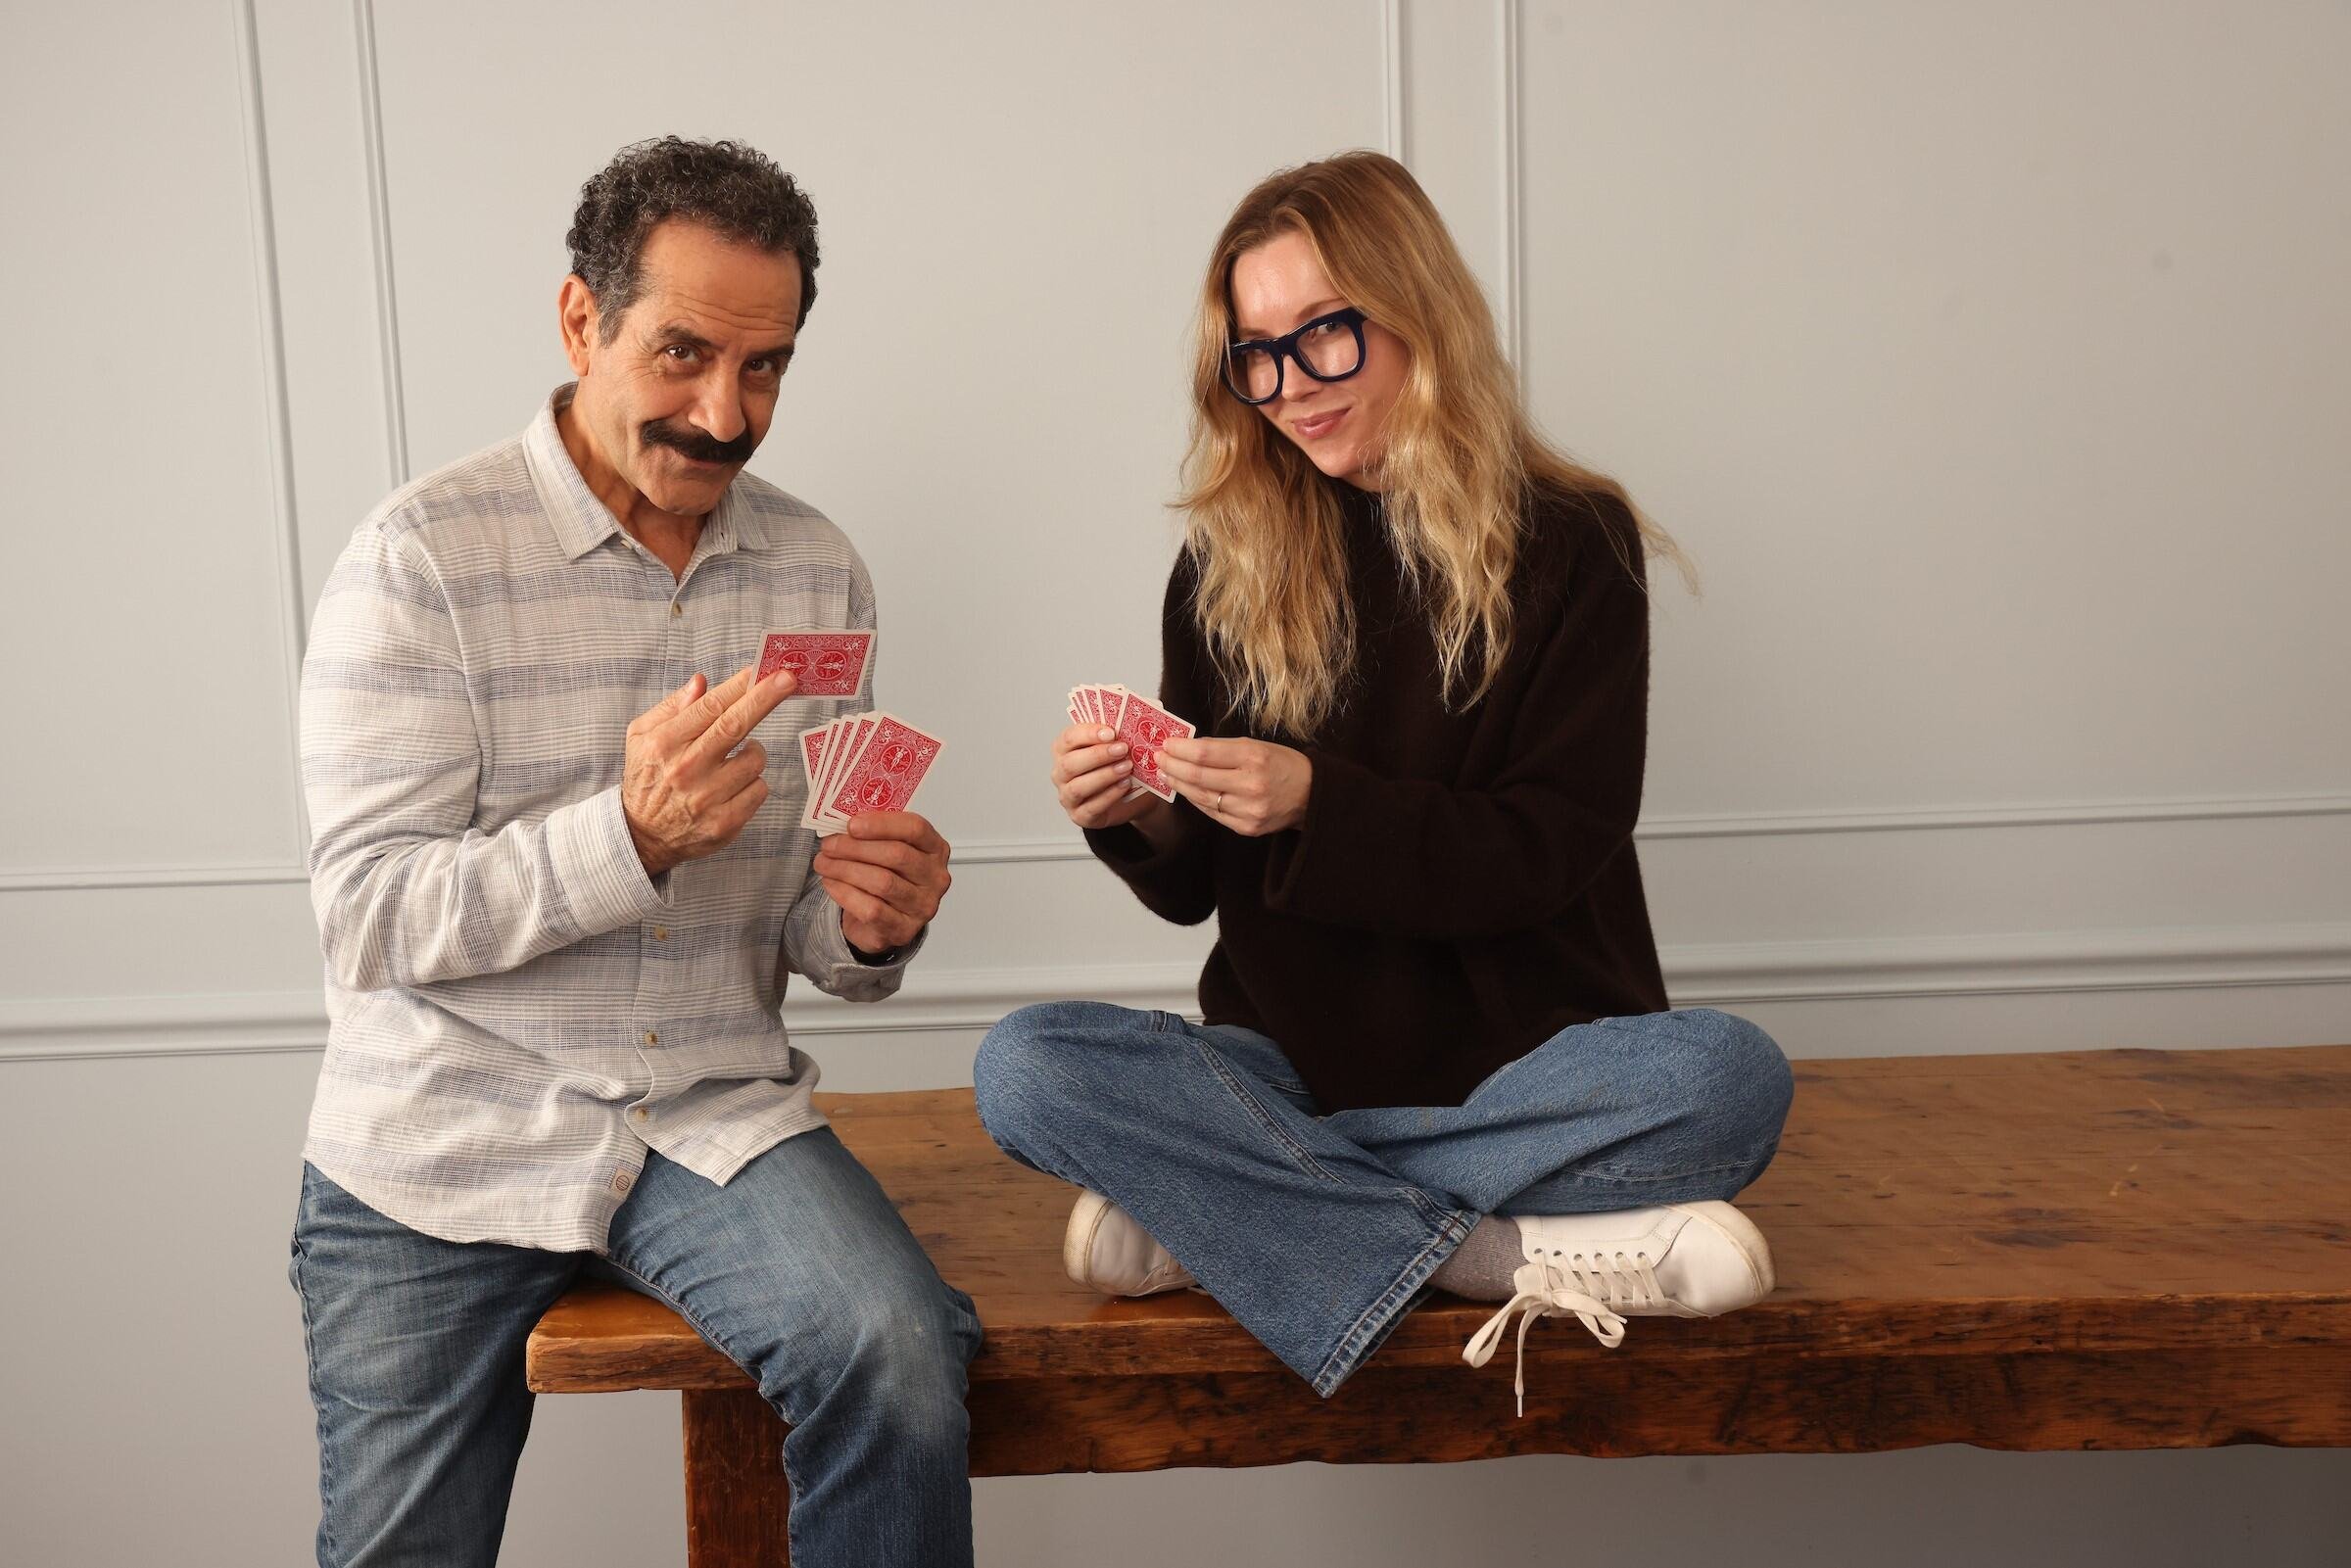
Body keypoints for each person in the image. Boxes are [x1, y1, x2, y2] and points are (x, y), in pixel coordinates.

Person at [974, 150, 1795, 1413]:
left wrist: (1317, 802)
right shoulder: (1221, 570)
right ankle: (1489, 1252)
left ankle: (1230, 1217)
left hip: (1541, 1064)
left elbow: (1552, 845)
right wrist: (1139, 816)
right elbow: (1197, 892)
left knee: (1725, 1081)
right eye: (1258, 354)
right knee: (1025, 1067)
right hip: (1290, 1066)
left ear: (1417, 314)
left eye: (1324, 337)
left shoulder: (1574, 542)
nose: (1290, 388)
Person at [290, 138, 976, 1565]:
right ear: (580, 321)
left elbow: (800, 928)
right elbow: (366, 915)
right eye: (682, 353)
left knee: (902, 1353)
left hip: (708, 1113)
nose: (726, 413)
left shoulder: (819, 570)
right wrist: (626, 836)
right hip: (442, 1132)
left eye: (767, 367)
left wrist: (867, 924)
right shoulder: (418, 559)